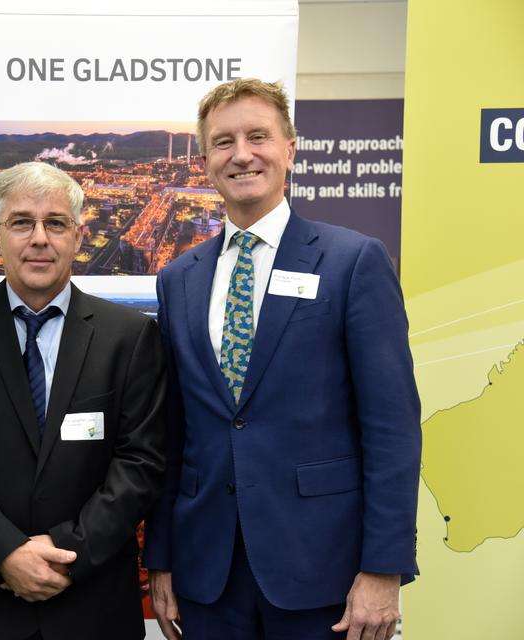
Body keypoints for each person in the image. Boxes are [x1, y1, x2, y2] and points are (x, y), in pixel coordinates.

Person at [143, 79, 421, 640]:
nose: (242, 154)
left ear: (290, 148)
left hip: (325, 572)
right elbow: (174, 435)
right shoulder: (178, 279)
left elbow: (391, 427)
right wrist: (163, 559)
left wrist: (383, 568)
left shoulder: (353, 262)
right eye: (223, 142)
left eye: (258, 136)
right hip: (208, 573)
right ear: (204, 162)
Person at [0, 161, 166, 640]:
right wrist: (7, 553)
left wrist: (65, 554)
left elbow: (140, 463)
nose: (39, 239)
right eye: (22, 222)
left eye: (55, 223)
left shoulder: (128, 336)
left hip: (93, 603)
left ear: (78, 235)